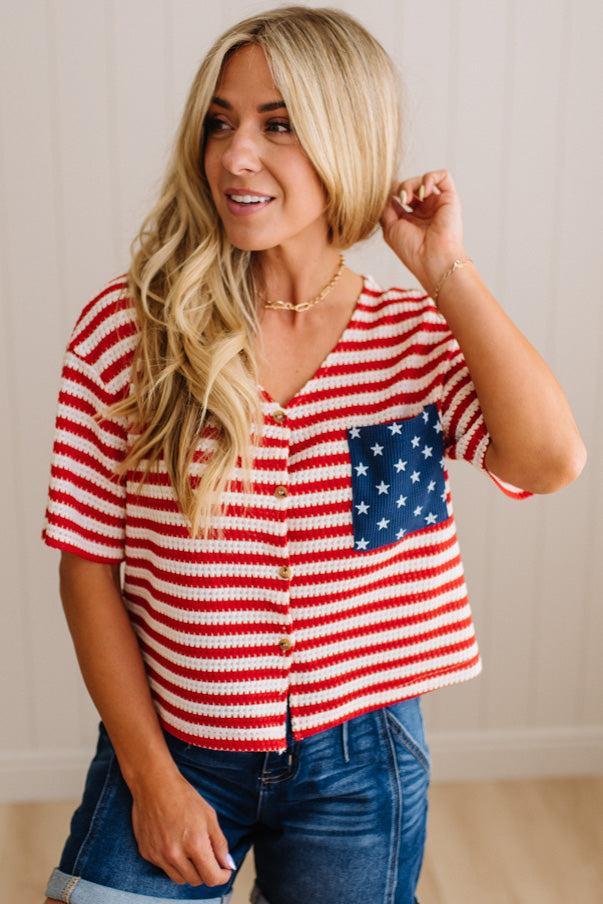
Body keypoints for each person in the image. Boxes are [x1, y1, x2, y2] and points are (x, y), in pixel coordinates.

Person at [40, 6, 586, 904]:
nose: (235, 155)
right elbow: (88, 567)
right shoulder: (129, 327)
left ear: (347, 138)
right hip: (174, 736)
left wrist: (445, 269)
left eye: (278, 124)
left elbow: (549, 460)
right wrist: (151, 781)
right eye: (220, 122)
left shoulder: (412, 336)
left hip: (360, 758)